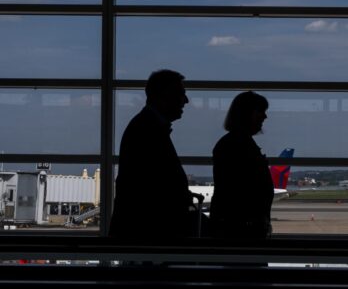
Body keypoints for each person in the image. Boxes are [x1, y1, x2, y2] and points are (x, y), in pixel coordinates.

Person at [110, 69, 193, 238]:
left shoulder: (144, 127)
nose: (186, 100)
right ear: (164, 95)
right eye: (180, 94)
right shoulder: (149, 130)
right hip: (151, 232)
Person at [210, 91, 274, 239]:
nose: (265, 116)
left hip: (242, 228)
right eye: (261, 111)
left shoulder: (235, 142)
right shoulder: (238, 144)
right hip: (243, 231)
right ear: (247, 114)